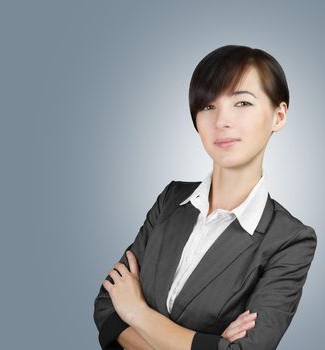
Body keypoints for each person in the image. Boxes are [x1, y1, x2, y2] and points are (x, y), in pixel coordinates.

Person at [93, 45, 318, 350]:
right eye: (208, 106)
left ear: (278, 116)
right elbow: (107, 305)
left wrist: (139, 313)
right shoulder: (171, 199)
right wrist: (210, 343)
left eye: (242, 102)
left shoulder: (290, 240)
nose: (222, 121)